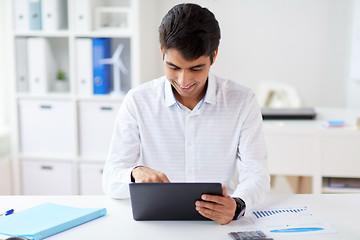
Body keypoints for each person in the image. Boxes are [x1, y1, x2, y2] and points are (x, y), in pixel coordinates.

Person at [103, 3, 270, 225]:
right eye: (173, 67)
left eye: (195, 69)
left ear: (214, 56)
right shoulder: (137, 101)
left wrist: (239, 204)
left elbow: (257, 173)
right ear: (162, 52)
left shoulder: (242, 101)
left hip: (217, 224)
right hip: (158, 226)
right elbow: (110, 178)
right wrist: (135, 173)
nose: (183, 81)